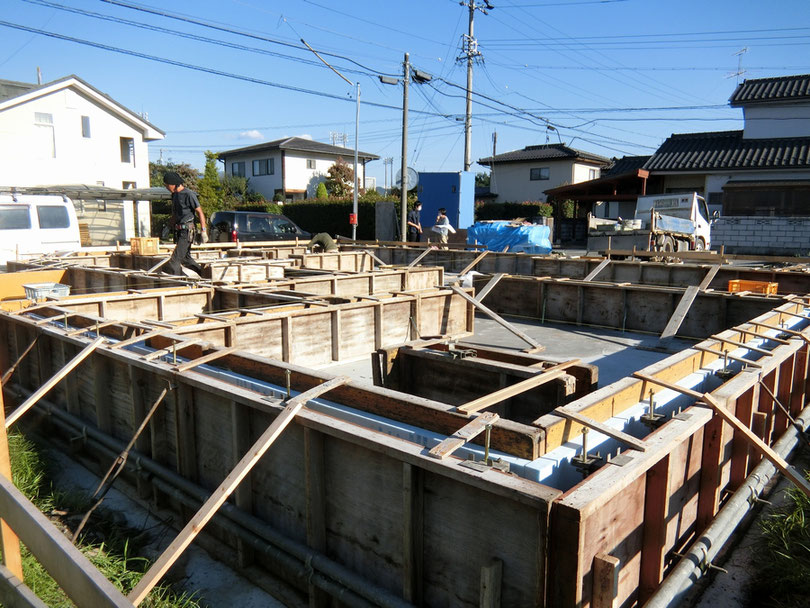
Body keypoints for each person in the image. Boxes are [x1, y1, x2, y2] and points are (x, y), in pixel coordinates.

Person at [163, 171, 207, 276]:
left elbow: (200, 212)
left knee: (174, 261)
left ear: (174, 184)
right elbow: (175, 214)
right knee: (186, 259)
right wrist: (168, 227)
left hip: (187, 231)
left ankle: (179, 284)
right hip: (179, 231)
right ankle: (205, 275)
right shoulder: (174, 196)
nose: (166, 187)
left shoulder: (189, 194)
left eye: (167, 185)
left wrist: (204, 231)